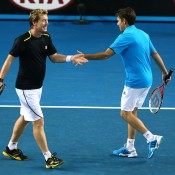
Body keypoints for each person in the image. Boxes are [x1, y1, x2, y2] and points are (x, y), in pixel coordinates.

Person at [0, 9, 88, 169]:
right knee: (38, 121)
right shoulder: (22, 40)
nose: (46, 22)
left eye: (47, 19)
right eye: (43, 20)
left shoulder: (46, 38)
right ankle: (48, 158)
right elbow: (9, 60)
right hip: (25, 89)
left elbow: (53, 57)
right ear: (34, 22)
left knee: (26, 117)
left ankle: (11, 148)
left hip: (37, 88)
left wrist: (71, 58)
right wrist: (0, 79)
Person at [81, 7, 171, 158]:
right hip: (147, 80)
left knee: (124, 113)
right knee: (132, 112)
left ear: (124, 21)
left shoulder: (126, 36)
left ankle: (151, 138)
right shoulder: (143, 34)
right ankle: (130, 148)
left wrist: (85, 56)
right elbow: (154, 53)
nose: (117, 24)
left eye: (117, 21)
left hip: (135, 81)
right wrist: (164, 72)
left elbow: (105, 55)